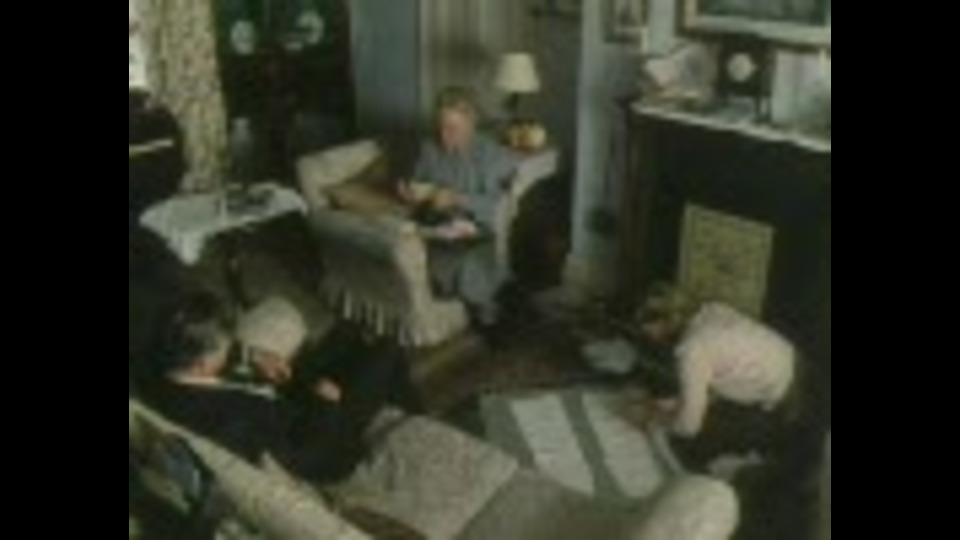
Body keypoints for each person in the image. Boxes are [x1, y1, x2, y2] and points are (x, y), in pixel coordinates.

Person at [148, 292, 395, 484]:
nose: (231, 348)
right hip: (320, 448)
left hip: (275, 402)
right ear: (202, 365)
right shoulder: (226, 426)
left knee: (332, 346)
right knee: (386, 356)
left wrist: (252, 356)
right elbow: (299, 454)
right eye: (224, 348)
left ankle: (357, 341)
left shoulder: (169, 364)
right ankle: (403, 389)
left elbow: (216, 356)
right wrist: (326, 406)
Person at [637, 283, 801, 472]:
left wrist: (655, 420)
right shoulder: (711, 310)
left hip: (783, 400)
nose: (647, 335)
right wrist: (666, 405)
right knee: (699, 410)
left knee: (695, 448)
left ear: (662, 321)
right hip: (792, 360)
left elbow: (689, 427)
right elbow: (714, 385)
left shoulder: (693, 349)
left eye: (645, 328)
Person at [403, 87, 518, 327]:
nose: (444, 136)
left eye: (452, 129)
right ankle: (469, 301)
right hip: (435, 225)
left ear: (471, 124)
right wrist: (410, 192)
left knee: (468, 264)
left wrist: (457, 198)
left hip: (476, 229)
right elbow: (419, 183)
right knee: (414, 247)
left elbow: (496, 204)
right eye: (440, 127)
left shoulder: (491, 156)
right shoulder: (429, 148)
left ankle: (486, 310)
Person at [233, 297, 424, 418]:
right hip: (344, 413)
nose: (257, 360)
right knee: (387, 350)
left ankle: (410, 406)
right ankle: (413, 409)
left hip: (322, 390)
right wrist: (328, 403)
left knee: (364, 344)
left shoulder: (275, 375)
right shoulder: (270, 387)